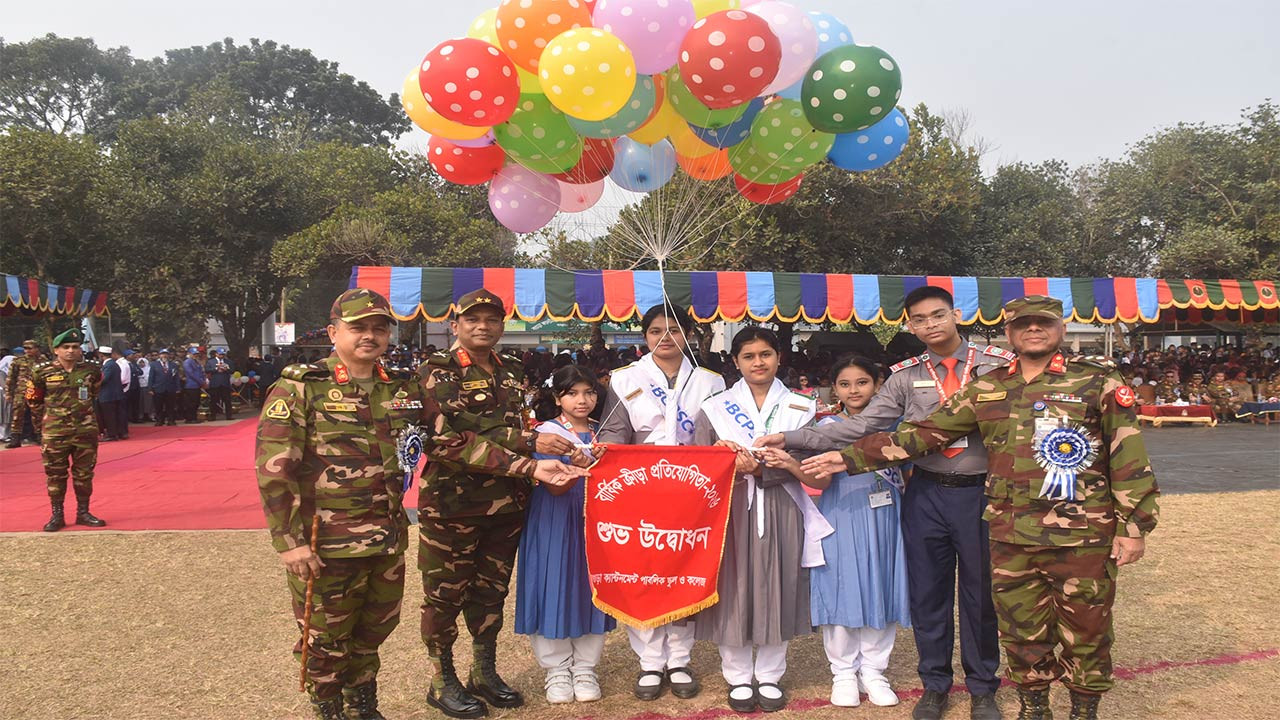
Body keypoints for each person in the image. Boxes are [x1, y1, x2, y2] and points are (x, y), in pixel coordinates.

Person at [805, 296, 1160, 720]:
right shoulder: (989, 386)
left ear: (1060, 329)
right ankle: (1033, 708)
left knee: (1086, 629)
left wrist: (1133, 525)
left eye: (1042, 323)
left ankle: (1084, 710)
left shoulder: (1096, 381)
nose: (1033, 330)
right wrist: (848, 458)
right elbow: (925, 434)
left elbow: (1128, 455)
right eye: (1023, 324)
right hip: (1010, 530)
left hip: (1080, 531)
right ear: (1009, 332)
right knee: (1021, 629)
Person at [256, 288, 582, 720]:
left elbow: (448, 437)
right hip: (333, 537)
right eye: (358, 328)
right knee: (327, 634)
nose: (370, 336)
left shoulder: (401, 388)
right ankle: (333, 709)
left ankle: (364, 706)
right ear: (334, 332)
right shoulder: (302, 387)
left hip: (390, 531)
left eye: (378, 328)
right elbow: (275, 469)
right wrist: (289, 542)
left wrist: (531, 457)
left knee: (376, 626)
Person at [755, 286, 1010, 720]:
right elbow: (858, 427)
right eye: (920, 319)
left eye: (938, 315)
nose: (930, 325)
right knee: (928, 594)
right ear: (909, 325)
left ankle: (983, 687)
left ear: (957, 315)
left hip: (980, 492)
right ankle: (935, 685)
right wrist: (792, 437)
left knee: (980, 596)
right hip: (927, 492)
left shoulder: (999, 367)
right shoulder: (904, 376)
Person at [418, 289, 588, 719]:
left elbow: (512, 424)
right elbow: (445, 439)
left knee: (490, 593)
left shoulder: (511, 368)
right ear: (454, 325)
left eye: (492, 319)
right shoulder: (438, 371)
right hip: (454, 505)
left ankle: (483, 671)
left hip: (508, 505)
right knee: (444, 598)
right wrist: (528, 446)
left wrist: (560, 451)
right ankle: (442, 680)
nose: (483, 326)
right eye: (472, 319)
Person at [694, 326, 831, 713]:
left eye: (766, 354)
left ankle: (770, 674)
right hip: (730, 507)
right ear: (735, 362)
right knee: (732, 587)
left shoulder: (803, 407)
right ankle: (737, 676)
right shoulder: (714, 407)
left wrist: (762, 470)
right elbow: (697, 463)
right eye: (749, 356)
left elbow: (811, 463)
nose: (759, 362)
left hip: (783, 505)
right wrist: (726, 462)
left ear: (778, 357)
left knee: (779, 583)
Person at [596, 302, 725, 702]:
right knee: (645, 569)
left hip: (693, 489)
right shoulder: (624, 378)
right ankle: (650, 662)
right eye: (655, 331)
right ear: (644, 335)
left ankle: (680, 660)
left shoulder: (711, 381)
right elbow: (614, 433)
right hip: (640, 488)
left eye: (673, 330)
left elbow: (717, 435)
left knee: (685, 568)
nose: (664, 338)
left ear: (688, 334)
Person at [806, 355, 912, 708]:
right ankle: (843, 672)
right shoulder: (827, 426)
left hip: (886, 517)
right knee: (841, 588)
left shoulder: (899, 426)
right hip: (841, 514)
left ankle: (874, 670)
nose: (854, 390)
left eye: (862, 382)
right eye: (845, 384)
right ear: (834, 388)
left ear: (879, 384)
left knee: (882, 585)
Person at [515, 365, 615, 705]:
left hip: (596, 520)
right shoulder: (546, 434)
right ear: (558, 398)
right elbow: (555, 489)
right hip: (555, 516)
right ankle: (556, 668)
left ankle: (586, 666)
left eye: (588, 392)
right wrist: (581, 468)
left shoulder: (607, 433)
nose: (582, 400)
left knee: (592, 586)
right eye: (572, 393)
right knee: (552, 583)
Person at [27, 328, 106, 531]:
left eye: (75, 347)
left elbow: (94, 393)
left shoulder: (91, 369)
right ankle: (57, 515)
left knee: (84, 473)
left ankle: (83, 512)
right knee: (55, 474)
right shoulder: (41, 371)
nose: (71, 351)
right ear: (56, 350)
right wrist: (44, 424)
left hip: (85, 430)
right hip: (55, 432)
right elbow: (33, 400)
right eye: (66, 347)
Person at [6, 339, 45, 448]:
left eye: (30, 348)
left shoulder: (43, 361)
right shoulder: (18, 361)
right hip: (21, 391)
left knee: (38, 414)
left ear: (37, 348)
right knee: (17, 415)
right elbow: (11, 378)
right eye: (25, 348)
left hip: (37, 391)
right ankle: (15, 438)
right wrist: (8, 393)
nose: (27, 350)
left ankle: (39, 436)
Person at [97, 347, 127, 442]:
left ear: (101, 355)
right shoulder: (114, 364)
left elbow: (104, 379)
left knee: (109, 415)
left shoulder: (109, 365)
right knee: (117, 414)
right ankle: (119, 432)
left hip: (108, 395)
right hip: (115, 394)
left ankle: (112, 434)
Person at [150, 349, 181, 426]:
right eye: (162, 354)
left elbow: (176, 377)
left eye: (166, 354)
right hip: (158, 388)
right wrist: (150, 388)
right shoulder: (154, 365)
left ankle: (171, 420)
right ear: (159, 355)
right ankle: (159, 420)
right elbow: (151, 377)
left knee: (171, 405)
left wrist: (178, 388)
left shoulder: (173, 365)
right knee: (158, 405)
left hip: (170, 388)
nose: (164, 356)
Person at [206, 347, 234, 420]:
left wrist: (226, 369)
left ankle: (229, 415)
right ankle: (213, 416)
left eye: (223, 354)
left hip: (225, 383)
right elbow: (207, 370)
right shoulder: (210, 361)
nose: (221, 356)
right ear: (216, 354)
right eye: (220, 354)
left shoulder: (228, 361)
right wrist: (216, 369)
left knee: (227, 400)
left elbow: (232, 370)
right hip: (215, 383)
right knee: (213, 400)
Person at [182, 348, 207, 423]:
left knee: (196, 402)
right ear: (189, 354)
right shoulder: (187, 362)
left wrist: (203, 380)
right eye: (194, 354)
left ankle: (194, 417)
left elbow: (201, 372)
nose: (195, 355)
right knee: (191, 403)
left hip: (197, 384)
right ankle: (189, 418)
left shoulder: (196, 362)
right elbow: (191, 373)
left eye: (196, 354)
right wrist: (201, 381)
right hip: (191, 384)